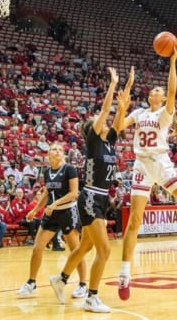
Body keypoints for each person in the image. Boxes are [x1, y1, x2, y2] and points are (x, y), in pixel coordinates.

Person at [117, 43, 177, 300]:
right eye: (154, 89)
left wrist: (173, 61)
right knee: (134, 221)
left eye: (158, 90)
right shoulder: (139, 112)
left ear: (163, 98)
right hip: (142, 165)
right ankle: (125, 274)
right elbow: (119, 126)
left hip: (163, 163)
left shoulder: (165, 115)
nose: (155, 91)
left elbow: (173, 89)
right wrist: (123, 103)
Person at [47, 67, 132, 313]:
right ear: (93, 129)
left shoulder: (108, 142)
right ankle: (91, 297)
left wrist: (125, 94)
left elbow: (117, 118)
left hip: (102, 199)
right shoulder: (94, 140)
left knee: (86, 247)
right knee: (104, 250)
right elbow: (107, 112)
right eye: (99, 123)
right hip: (90, 197)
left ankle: (61, 279)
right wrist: (113, 84)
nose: (104, 124)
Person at [17, 143, 87, 302]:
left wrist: (55, 204)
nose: (58, 152)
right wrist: (35, 210)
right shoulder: (48, 171)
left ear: (63, 154)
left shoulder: (69, 169)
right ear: (48, 154)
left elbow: (74, 193)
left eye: (61, 150)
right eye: (54, 149)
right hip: (51, 213)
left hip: (68, 212)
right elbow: (47, 193)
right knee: (37, 248)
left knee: (75, 250)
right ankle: (31, 282)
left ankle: (83, 284)